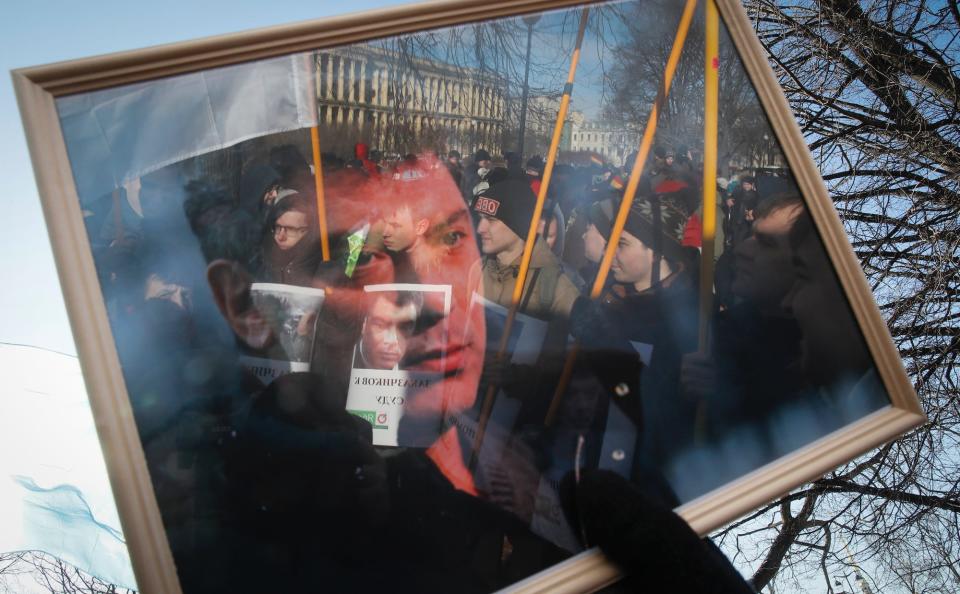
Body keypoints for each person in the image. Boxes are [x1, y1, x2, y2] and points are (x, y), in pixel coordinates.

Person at [473, 178, 581, 320]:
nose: (480, 228)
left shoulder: (556, 288)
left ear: (518, 224)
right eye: (481, 218)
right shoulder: (476, 270)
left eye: (491, 220)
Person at [260, 193, 323, 286]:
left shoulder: (321, 269)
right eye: (277, 227)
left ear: (308, 231)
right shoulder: (261, 257)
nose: (281, 236)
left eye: (290, 229)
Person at [355, 291, 420, 370]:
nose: (391, 341)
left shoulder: (419, 369)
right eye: (380, 325)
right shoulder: (342, 359)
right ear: (364, 324)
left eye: (404, 328)